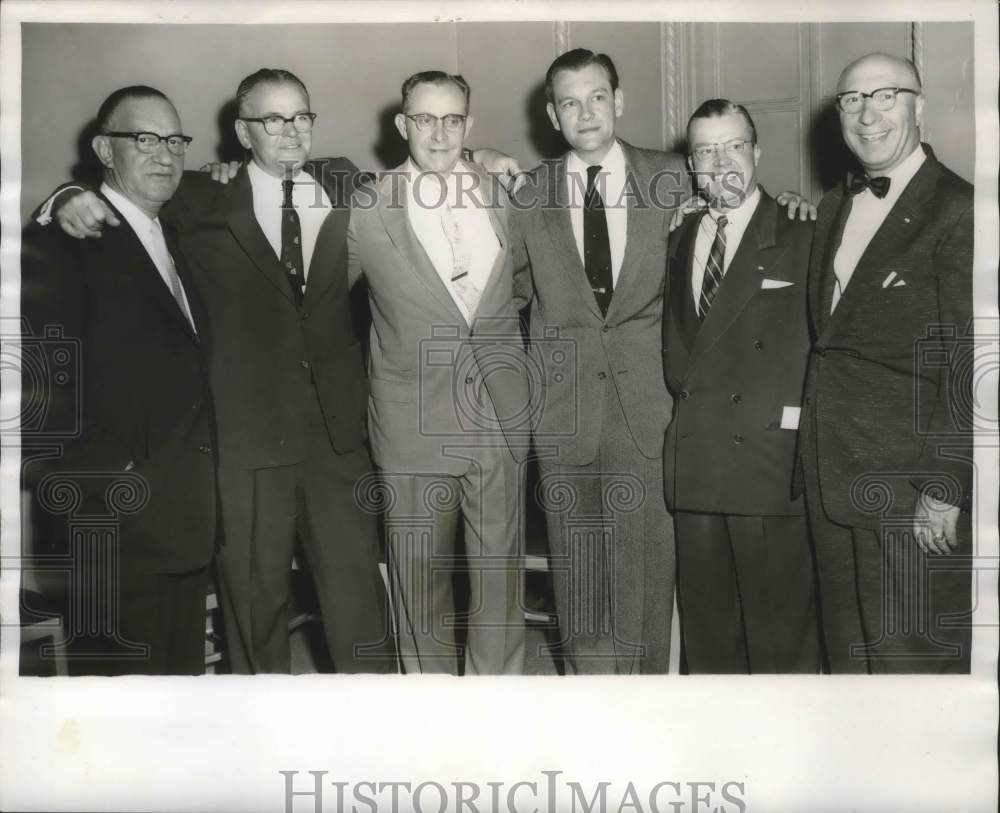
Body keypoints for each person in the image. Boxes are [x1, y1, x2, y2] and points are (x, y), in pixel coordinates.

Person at [42, 68, 394, 674]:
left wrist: (484, 155)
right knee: (255, 612)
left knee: (360, 604)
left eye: (301, 117)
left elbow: (427, 162)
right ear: (241, 132)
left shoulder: (345, 187)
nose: (290, 131)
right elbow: (118, 194)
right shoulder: (198, 198)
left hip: (336, 440)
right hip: (245, 440)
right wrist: (61, 199)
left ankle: (372, 731)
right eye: (271, 119)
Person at [21, 86, 217, 675]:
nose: (165, 155)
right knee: (117, 716)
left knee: (177, 699)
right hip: (110, 524)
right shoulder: (63, 240)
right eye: (145, 139)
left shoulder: (174, 232)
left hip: (182, 520)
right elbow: (34, 384)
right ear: (105, 149)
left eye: (175, 140)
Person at [510, 48, 689, 674]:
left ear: (619, 100)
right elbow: (503, 295)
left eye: (596, 97)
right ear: (552, 115)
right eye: (568, 101)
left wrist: (797, 205)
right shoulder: (526, 193)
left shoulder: (674, 175)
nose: (584, 112)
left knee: (645, 574)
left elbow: (746, 215)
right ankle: (592, 715)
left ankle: (644, 712)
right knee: (579, 578)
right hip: (564, 411)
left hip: (649, 407)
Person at [347, 71, 531, 675]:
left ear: (469, 126)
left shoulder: (505, 190)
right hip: (413, 421)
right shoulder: (366, 206)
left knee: (500, 584)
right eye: (424, 119)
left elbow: (526, 286)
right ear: (402, 125)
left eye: (453, 119)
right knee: (420, 586)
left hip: (500, 413)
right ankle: (431, 717)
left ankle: (494, 703)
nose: (439, 132)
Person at [797, 53, 974, 673]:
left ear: (919, 106)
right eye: (852, 100)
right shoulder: (832, 206)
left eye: (885, 96)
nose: (868, 115)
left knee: (914, 666)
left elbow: (971, 361)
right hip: (832, 478)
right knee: (850, 667)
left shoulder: (958, 209)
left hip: (911, 489)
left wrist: (946, 486)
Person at [662, 99, 820, 674]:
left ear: (757, 152)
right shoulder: (678, 234)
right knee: (709, 648)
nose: (720, 161)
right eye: (705, 150)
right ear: (690, 164)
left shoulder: (804, 230)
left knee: (780, 650)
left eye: (733, 146)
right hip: (698, 467)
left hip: (766, 468)